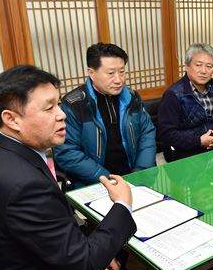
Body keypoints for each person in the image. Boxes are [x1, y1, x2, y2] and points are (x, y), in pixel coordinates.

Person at [0, 65, 167, 270]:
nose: (62, 114)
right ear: (12, 119)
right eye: (49, 108)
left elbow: (51, 236)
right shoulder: (23, 183)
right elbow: (83, 263)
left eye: (59, 103)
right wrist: (123, 205)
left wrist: (95, 248)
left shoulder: (0, 156)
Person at [54, 42, 156, 188]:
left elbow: (148, 133)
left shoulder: (132, 97)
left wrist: (141, 172)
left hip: (134, 176)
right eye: (110, 73)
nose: (118, 79)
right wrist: (106, 179)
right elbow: (67, 151)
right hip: (94, 182)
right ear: (91, 72)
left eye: (122, 72)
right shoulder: (73, 105)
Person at [157, 43, 213, 162]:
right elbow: (166, 134)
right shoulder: (173, 95)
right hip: (186, 152)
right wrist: (199, 141)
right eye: (198, 65)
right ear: (187, 66)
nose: (203, 71)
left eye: (209, 66)